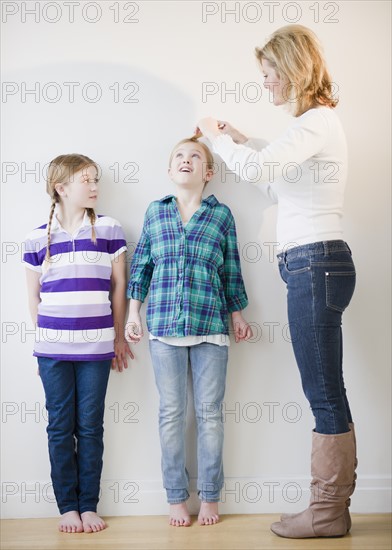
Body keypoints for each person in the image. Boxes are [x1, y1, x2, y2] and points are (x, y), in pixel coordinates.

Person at [197, 24, 357, 539]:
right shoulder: (313, 127)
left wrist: (220, 140)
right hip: (313, 265)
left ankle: (328, 513)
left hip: (316, 264)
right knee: (326, 390)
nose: (265, 85)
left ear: (291, 70)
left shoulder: (317, 122)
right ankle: (331, 510)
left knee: (323, 393)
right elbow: (274, 180)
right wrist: (242, 140)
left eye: (268, 76)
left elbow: (260, 168)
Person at [125, 137, 252, 527]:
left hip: (211, 326)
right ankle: (176, 498)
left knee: (210, 414)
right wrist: (133, 313)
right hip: (162, 326)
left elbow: (230, 269)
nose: (186, 160)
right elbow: (142, 265)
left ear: (208, 172)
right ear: (169, 170)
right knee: (171, 414)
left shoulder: (221, 215)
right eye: (178, 155)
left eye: (195, 156)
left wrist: (238, 315)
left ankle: (210, 497)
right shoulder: (155, 212)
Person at [24, 154, 133, 533]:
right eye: (87, 180)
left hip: (97, 348)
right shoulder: (36, 238)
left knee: (89, 426)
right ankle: (66, 506)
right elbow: (33, 300)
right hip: (52, 349)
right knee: (59, 427)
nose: (94, 186)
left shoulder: (109, 229)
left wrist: (119, 337)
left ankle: (89, 505)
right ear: (62, 186)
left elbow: (119, 287)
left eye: (96, 179)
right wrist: (41, 346)